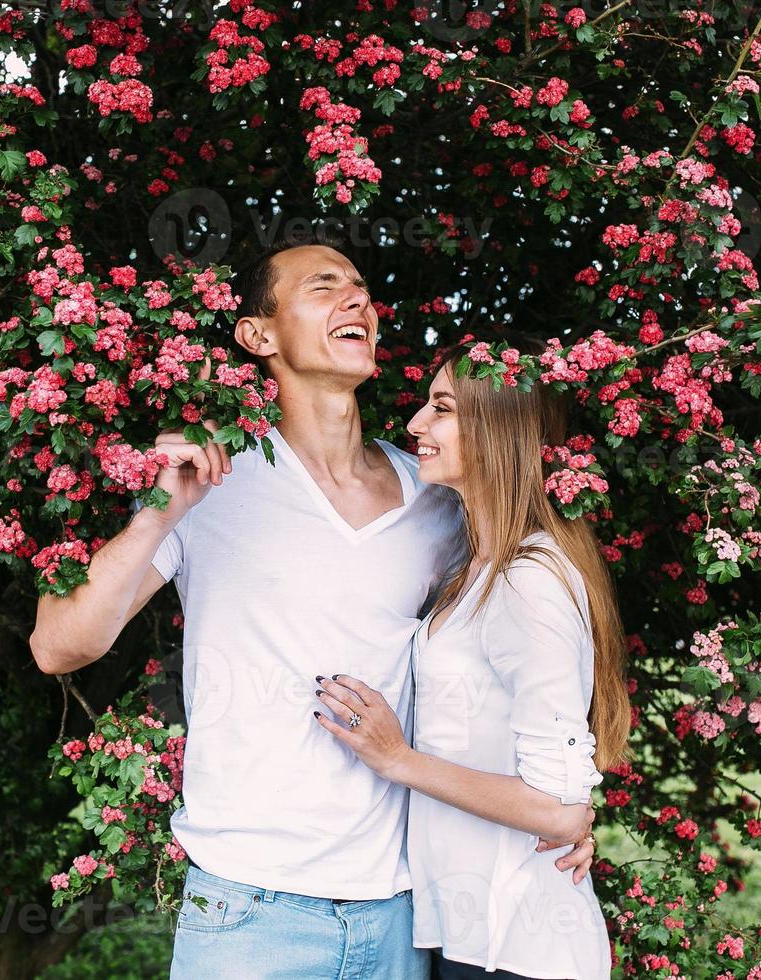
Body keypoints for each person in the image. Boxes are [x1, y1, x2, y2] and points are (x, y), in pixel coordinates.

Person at [30, 241, 596, 980]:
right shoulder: (208, 482)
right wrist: (155, 516)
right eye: (324, 287)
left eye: (361, 288)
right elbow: (57, 649)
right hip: (247, 911)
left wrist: (560, 812)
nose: (356, 300)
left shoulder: (437, 501)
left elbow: (525, 673)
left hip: (400, 912)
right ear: (258, 336)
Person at [314, 338, 631, 980]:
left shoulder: (530, 578)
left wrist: (398, 760)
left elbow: (560, 809)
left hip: (520, 944)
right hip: (470, 934)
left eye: (443, 408)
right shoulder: (479, 565)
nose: (415, 425)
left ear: (500, 431)